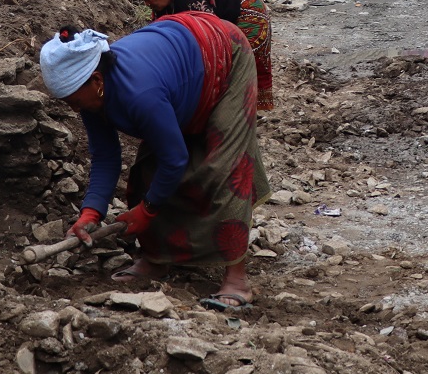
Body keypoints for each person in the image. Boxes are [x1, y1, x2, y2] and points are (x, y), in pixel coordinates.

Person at [39, 16, 270, 312]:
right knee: (146, 172)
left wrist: (147, 210)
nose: (73, 109)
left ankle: (237, 278)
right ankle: (157, 259)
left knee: (223, 169)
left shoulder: (139, 93)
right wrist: (90, 212)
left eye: (74, 100)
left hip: (224, 52)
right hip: (178, 69)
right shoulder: (91, 92)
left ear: (97, 80)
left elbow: (175, 159)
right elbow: (106, 155)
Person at [132, 0, 274, 112]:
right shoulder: (161, 8)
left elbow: (209, 38)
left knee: (242, 64)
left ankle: (243, 111)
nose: (146, 4)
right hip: (225, 20)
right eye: (142, 0)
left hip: (247, 11)